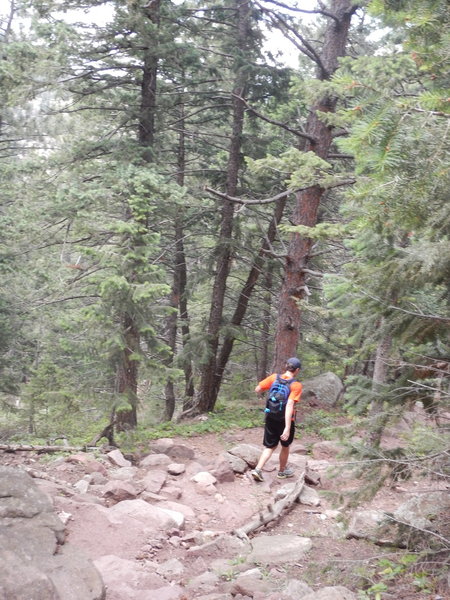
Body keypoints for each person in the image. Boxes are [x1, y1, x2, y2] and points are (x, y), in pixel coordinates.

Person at [251, 357, 302, 481]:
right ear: (297, 370)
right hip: (284, 420)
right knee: (285, 446)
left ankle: (258, 469)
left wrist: (268, 392)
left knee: (270, 446)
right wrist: (287, 428)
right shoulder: (296, 385)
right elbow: (290, 404)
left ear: (286, 367)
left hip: (270, 416)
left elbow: (258, 389)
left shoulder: (274, 377)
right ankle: (281, 471)